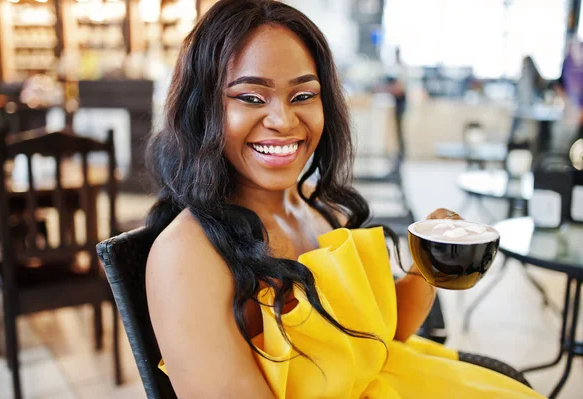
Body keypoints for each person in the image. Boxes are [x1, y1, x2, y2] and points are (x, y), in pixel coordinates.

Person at [144, 1, 546, 397]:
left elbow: (381, 335)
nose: (284, 121)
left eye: (303, 96)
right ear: (202, 109)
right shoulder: (186, 257)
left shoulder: (319, 208)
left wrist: (430, 258)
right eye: (250, 97)